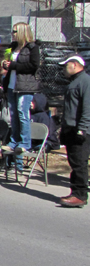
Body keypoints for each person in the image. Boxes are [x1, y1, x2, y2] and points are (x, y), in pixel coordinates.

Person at [0, 22, 40, 170]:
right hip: (12, 84)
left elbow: (33, 66)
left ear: (22, 32)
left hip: (25, 85)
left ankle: (25, 142)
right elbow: (10, 64)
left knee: (23, 113)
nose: (13, 33)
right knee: (13, 114)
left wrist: (14, 65)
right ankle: (14, 140)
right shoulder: (13, 46)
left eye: (15, 31)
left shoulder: (32, 48)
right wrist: (6, 64)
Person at [58, 55, 90, 208]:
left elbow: (87, 108)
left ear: (75, 65)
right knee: (74, 162)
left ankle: (80, 195)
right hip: (70, 128)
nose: (64, 69)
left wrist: (82, 129)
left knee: (79, 163)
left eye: (66, 65)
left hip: (79, 130)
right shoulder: (74, 82)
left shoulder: (85, 81)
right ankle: (75, 191)